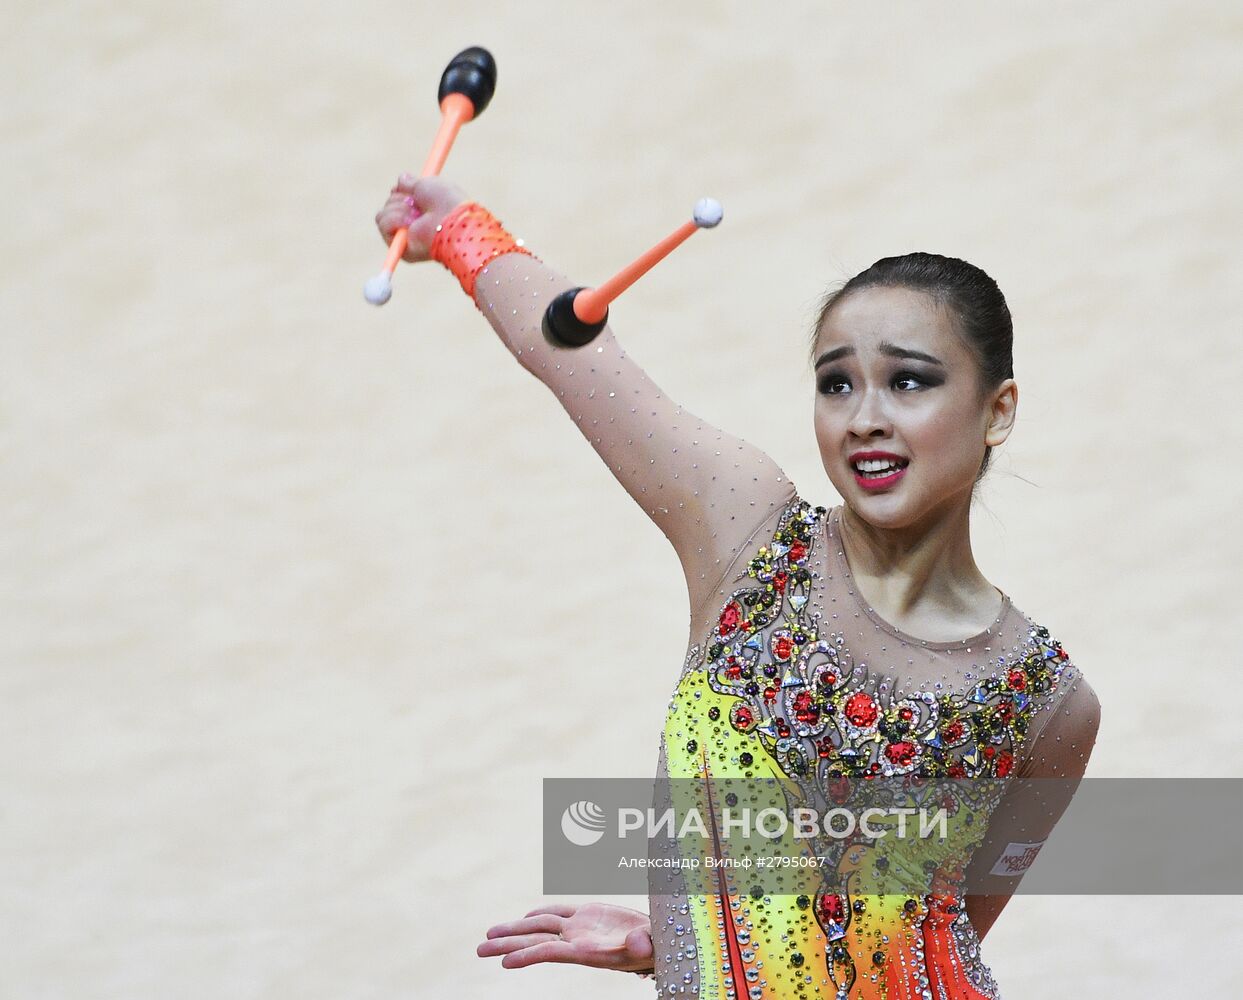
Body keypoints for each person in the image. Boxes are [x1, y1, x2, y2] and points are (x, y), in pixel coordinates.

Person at [374, 175, 1102, 999]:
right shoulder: (746, 536)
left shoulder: (1049, 703)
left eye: (907, 381)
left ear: (995, 410)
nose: (863, 415)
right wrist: (460, 233)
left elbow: (933, 939)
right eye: (836, 383)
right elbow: (574, 349)